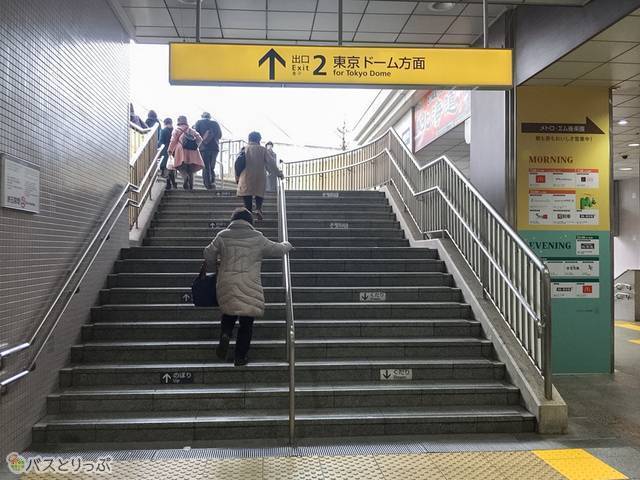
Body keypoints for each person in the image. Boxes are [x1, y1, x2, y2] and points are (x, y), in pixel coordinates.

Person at [204, 207, 293, 366]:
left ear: (233, 220)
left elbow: (208, 253)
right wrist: (287, 244)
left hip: (227, 282)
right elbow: (276, 249)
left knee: (229, 313)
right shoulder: (257, 237)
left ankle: (225, 333)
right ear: (250, 222)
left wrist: (217, 261)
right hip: (250, 284)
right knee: (246, 323)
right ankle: (240, 357)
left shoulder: (222, 235)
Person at [237, 131, 283, 220]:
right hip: (260, 176)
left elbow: (238, 163)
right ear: (259, 139)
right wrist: (279, 173)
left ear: (249, 139)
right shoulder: (263, 150)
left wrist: (237, 176)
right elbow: (271, 163)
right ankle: (258, 209)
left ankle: (249, 213)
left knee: (247, 196)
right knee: (259, 193)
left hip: (246, 176)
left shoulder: (244, 149)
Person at [168, 115, 204, 190]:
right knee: (190, 170)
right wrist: (195, 145)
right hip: (193, 151)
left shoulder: (177, 130)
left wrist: (170, 150)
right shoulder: (191, 130)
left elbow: (173, 140)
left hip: (181, 150)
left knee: (181, 167)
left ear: (178, 121)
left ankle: (185, 177)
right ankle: (190, 187)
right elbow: (200, 139)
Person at [194, 112, 222, 190]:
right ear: (209, 117)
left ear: (202, 116)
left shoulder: (198, 123)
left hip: (204, 148)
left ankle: (208, 185)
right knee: (212, 167)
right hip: (214, 148)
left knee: (206, 167)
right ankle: (213, 182)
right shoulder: (215, 123)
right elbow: (220, 135)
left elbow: (195, 135)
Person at [158, 118, 177, 190]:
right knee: (172, 167)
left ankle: (169, 184)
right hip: (174, 151)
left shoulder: (163, 131)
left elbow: (161, 142)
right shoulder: (175, 131)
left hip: (166, 151)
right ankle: (173, 183)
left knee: (166, 167)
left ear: (165, 123)